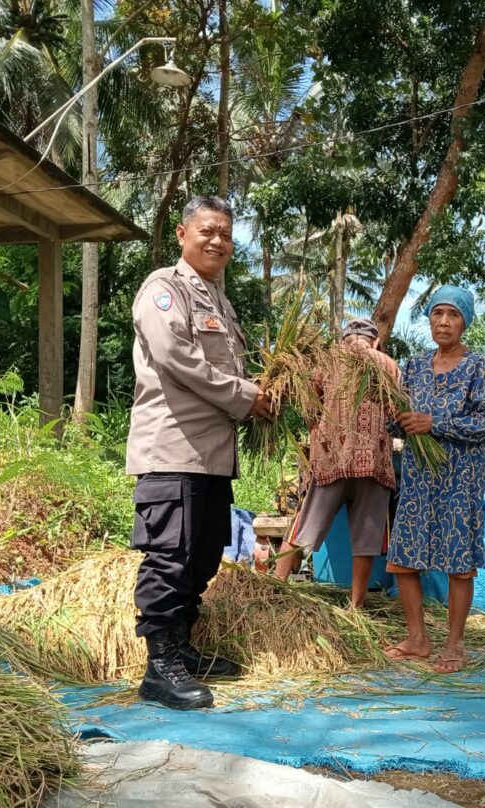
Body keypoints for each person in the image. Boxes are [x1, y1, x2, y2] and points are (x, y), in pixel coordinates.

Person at [126, 195, 274, 711]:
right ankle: (159, 667)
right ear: (183, 235)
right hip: (173, 448)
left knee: (205, 550)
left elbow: (229, 370)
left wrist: (260, 394)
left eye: (226, 234)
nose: (217, 241)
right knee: (170, 556)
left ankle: (183, 650)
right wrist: (246, 396)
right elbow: (176, 358)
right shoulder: (165, 290)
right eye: (207, 230)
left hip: (211, 454)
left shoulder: (220, 301)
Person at [383, 285, 485, 673]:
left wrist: (436, 424)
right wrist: (396, 417)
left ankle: (454, 644)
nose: (444, 322)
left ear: (465, 322)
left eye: (453, 315)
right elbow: (396, 417)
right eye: (438, 314)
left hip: (459, 479)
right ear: (429, 319)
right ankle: (417, 639)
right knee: (404, 558)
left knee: (458, 562)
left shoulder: (479, 367)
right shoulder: (414, 366)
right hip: (418, 477)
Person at [274, 318, 400, 608]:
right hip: (374, 465)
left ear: (345, 340)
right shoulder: (388, 364)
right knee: (366, 542)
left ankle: (275, 588)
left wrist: (320, 436)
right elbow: (397, 411)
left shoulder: (326, 362)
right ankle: (355, 607)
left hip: (332, 462)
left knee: (303, 527)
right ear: (375, 341)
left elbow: (309, 407)